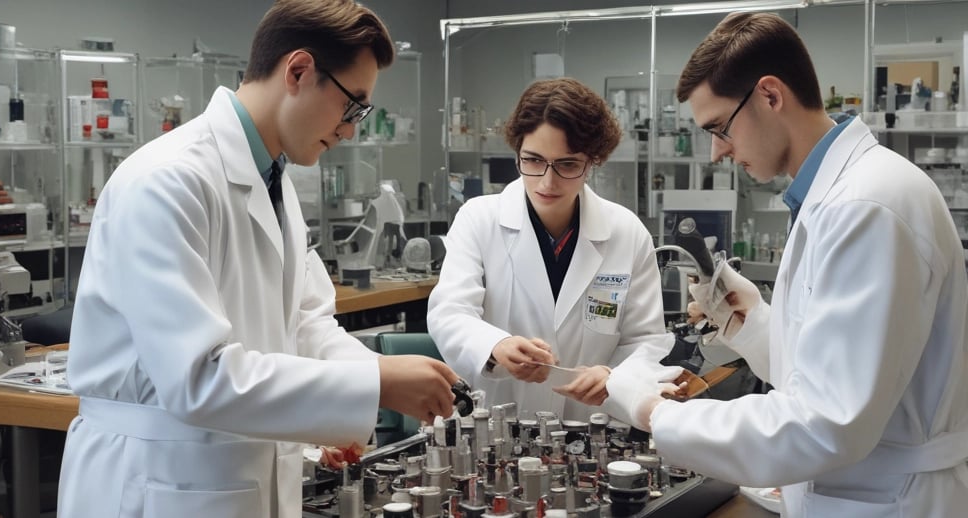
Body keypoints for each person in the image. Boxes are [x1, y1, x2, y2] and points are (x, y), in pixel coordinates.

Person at [56, 1, 459, 517]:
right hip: (155, 479)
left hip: (235, 472)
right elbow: (198, 378)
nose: (352, 129)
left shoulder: (274, 182)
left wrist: (379, 371)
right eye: (352, 107)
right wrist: (376, 384)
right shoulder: (167, 181)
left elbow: (305, 325)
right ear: (298, 70)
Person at [605, 12, 968, 517]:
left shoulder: (866, 206)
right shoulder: (833, 196)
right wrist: (753, 325)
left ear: (770, 96)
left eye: (719, 127)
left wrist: (654, 412)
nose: (715, 152)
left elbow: (825, 423)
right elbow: (839, 372)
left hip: (891, 499)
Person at [427, 78, 675, 422]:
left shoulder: (626, 232)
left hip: (589, 427)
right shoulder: (479, 219)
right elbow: (450, 314)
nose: (547, 181)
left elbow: (646, 340)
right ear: (518, 153)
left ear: (593, 162)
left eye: (567, 165)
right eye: (532, 160)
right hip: (494, 425)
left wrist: (615, 377)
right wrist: (495, 346)